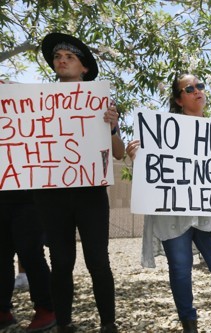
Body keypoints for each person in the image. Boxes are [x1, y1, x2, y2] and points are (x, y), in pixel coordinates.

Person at [127, 73, 211, 333]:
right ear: (178, 99)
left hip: (208, 211)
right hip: (174, 214)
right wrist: (137, 159)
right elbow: (151, 175)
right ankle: (189, 323)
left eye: (200, 85)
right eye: (190, 88)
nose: (198, 90)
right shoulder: (160, 133)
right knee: (180, 268)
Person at [33, 33, 125, 333]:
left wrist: (112, 127)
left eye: (69, 57)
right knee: (60, 262)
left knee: (98, 260)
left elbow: (120, 153)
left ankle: (108, 323)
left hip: (90, 194)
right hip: (52, 195)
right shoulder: (38, 103)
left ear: (84, 68)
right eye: (58, 56)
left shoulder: (101, 103)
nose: (61, 60)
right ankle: (64, 323)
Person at [0, 79, 56, 332]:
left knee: (31, 254)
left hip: (29, 197)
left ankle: (46, 309)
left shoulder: (30, 108)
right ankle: (2, 310)